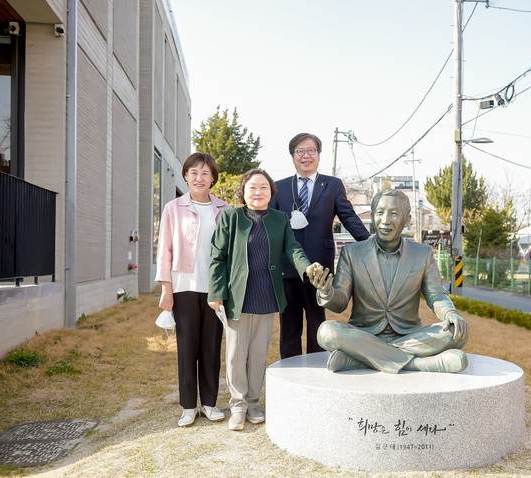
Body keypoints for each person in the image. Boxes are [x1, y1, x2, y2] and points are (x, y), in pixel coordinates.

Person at [308, 189, 469, 374]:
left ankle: (360, 359)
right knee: (326, 332)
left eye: (393, 213)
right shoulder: (352, 253)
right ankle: (418, 365)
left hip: (409, 335)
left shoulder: (422, 254)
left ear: (407, 220)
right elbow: (340, 303)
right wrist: (327, 292)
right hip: (364, 334)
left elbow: (436, 295)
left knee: (457, 331)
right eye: (380, 212)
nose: (385, 220)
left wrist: (451, 314)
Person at [209, 168, 320, 431]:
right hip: (238, 297)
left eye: (263, 188)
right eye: (252, 188)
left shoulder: (280, 219)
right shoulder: (230, 217)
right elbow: (217, 256)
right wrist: (216, 292)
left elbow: (292, 248)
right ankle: (237, 405)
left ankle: (254, 402)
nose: (258, 193)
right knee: (236, 354)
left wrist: (307, 268)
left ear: (271, 192)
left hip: (267, 295)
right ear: (243, 192)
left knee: (258, 354)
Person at [270, 133, 370, 359]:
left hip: (320, 269)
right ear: (293, 156)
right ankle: (290, 372)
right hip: (288, 267)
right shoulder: (280, 187)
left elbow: (349, 217)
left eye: (311, 151)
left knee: (318, 323)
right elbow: (271, 226)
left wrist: (371, 243)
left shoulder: (332, 185)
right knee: (289, 327)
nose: (306, 156)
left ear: (318, 155)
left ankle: (316, 369)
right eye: (300, 152)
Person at [155, 152, 229, 427]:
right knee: (187, 348)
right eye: (194, 173)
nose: (199, 178)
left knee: (211, 347)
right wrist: (166, 288)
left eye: (205, 173)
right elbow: (165, 250)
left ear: (213, 179)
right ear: (186, 175)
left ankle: (209, 403)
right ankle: (188, 406)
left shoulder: (225, 209)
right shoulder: (173, 208)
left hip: (215, 289)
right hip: (184, 287)